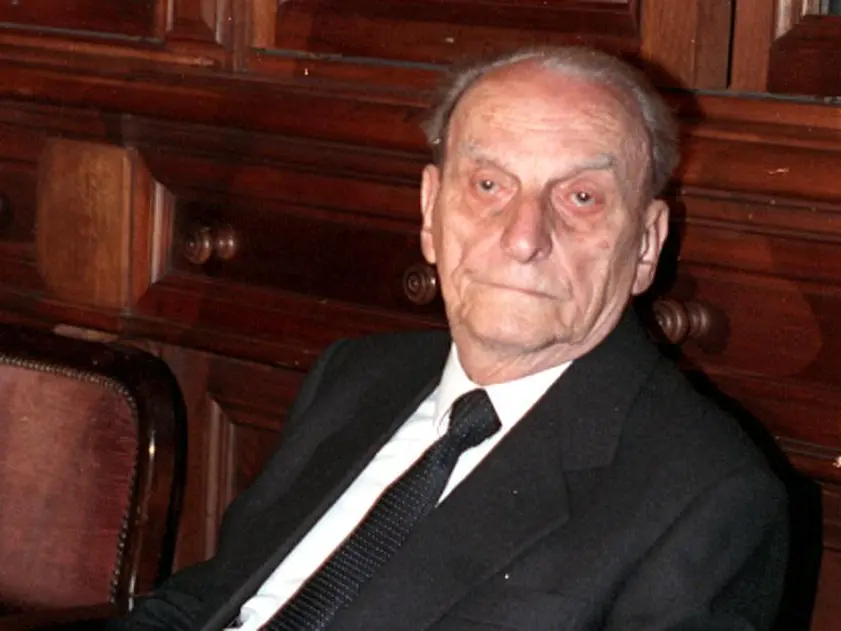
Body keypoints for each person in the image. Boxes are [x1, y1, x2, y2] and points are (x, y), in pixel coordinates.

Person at [114, 47, 788, 631]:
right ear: (430, 211)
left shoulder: (705, 493)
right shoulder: (358, 376)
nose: (523, 238)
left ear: (645, 244)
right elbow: (205, 602)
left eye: (581, 197)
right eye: (489, 185)